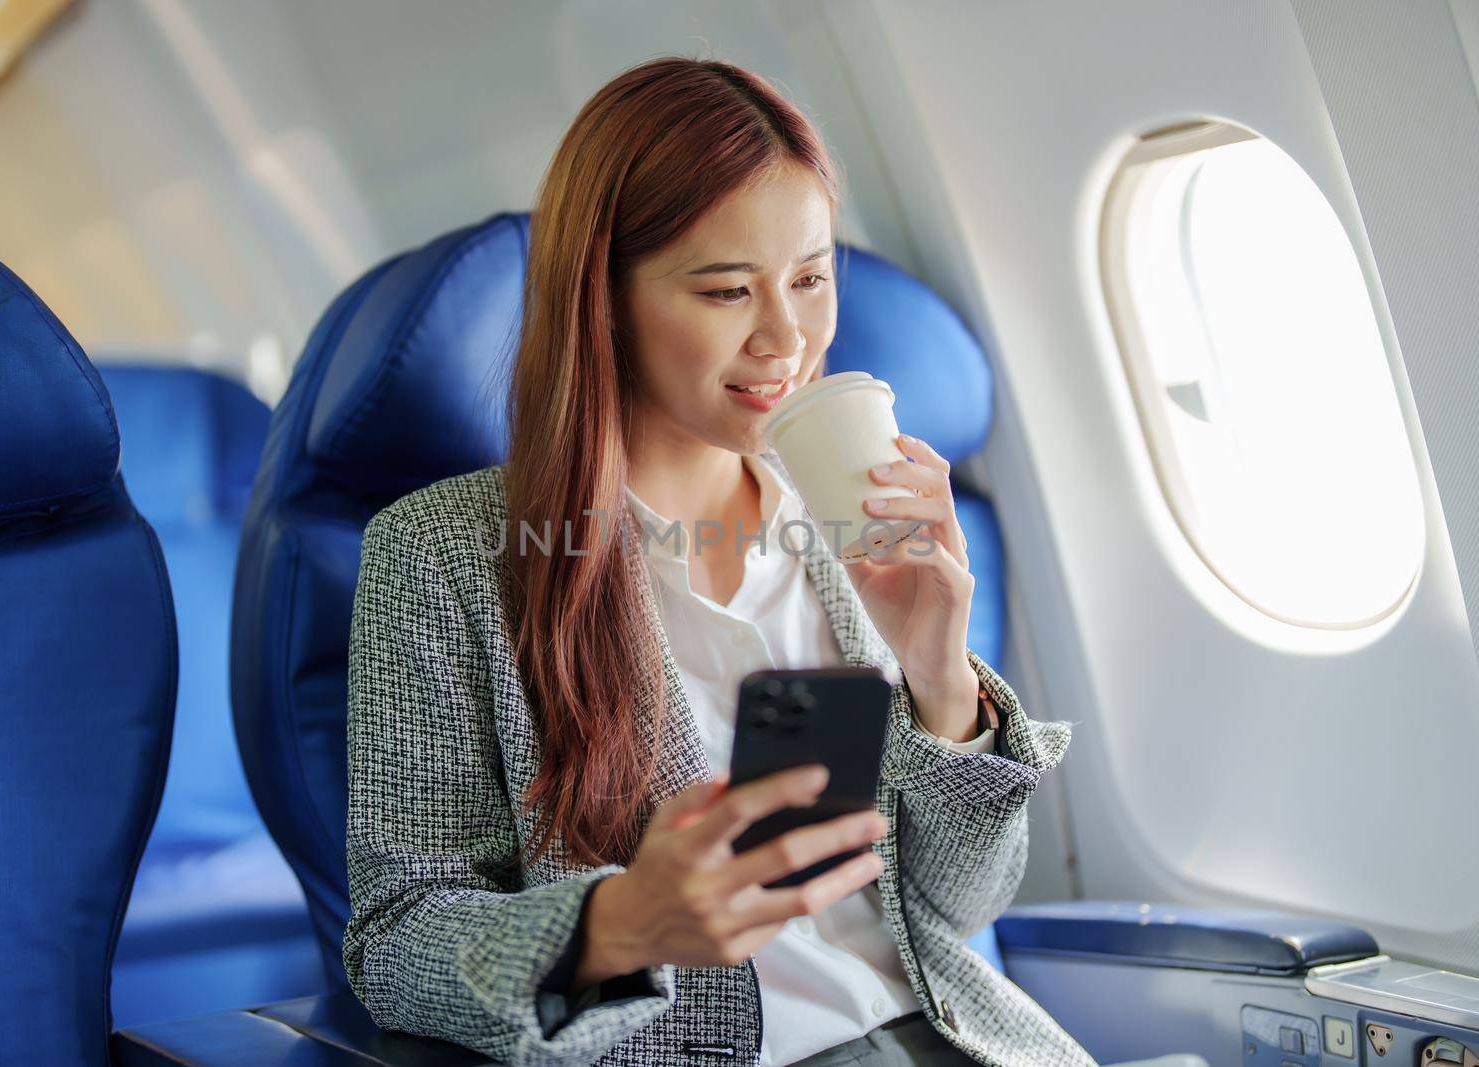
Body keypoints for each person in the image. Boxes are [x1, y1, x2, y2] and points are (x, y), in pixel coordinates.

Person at [342, 56, 1087, 1067]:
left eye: (811, 277)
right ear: (602, 299)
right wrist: (620, 923)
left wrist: (941, 681)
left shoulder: (850, 515)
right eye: (727, 288)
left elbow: (954, 910)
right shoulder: (442, 557)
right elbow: (394, 945)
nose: (787, 336)